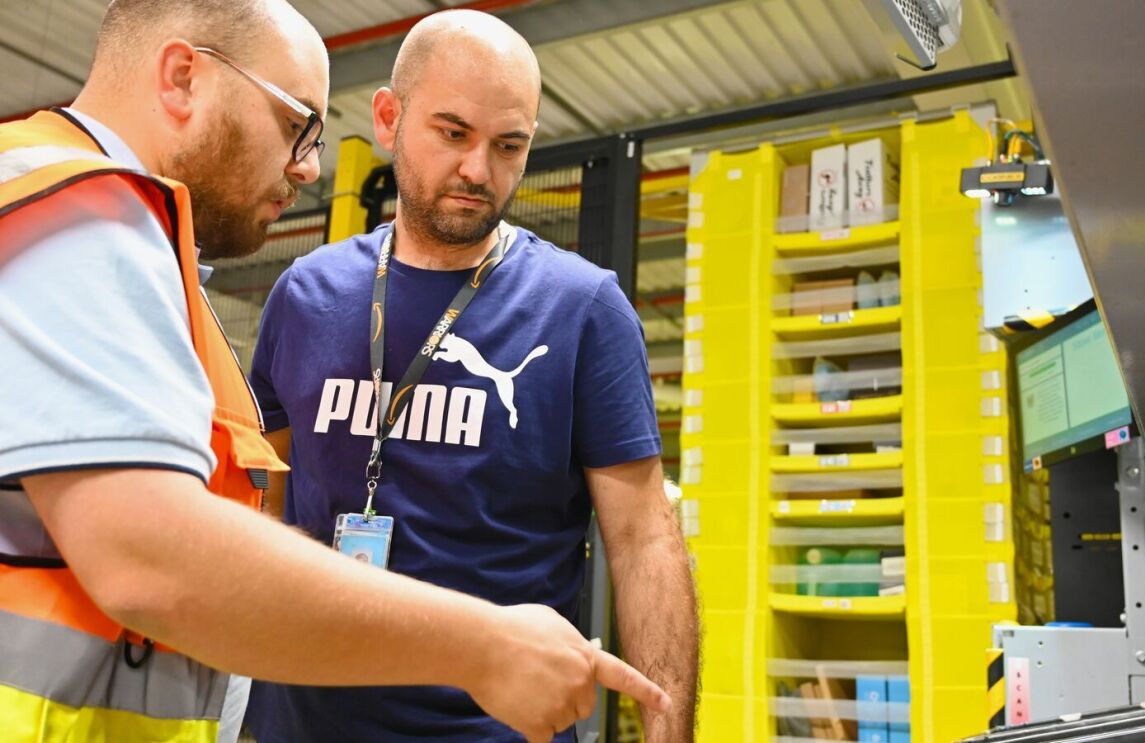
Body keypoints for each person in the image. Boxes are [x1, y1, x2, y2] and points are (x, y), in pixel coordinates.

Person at [0, 2, 668, 742]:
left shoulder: (123, 236)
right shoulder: (79, 213)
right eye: (295, 126)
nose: (309, 166)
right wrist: (482, 642)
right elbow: (148, 551)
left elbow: (644, 539)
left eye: (509, 144)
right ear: (183, 77)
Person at [243, 9, 700, 743]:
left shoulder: (582, 309)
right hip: (303, 721)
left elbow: (645, 538)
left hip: (496, 728)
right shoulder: (305, 295)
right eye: (453, 134)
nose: (478, 172)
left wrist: (669, 730)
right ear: (390, 118)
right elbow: (265, 501)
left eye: (509, 145)